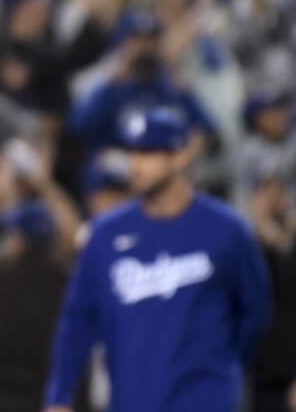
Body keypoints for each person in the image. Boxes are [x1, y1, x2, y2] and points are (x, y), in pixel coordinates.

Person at [43, 107, 272, 412]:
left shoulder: (226, 229)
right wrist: (59, 394)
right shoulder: (106, 234)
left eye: (150, 153)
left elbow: (255, 311)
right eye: (134, 152)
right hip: (133, 399)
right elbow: (78, 319)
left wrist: (223, 368)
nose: (137, 164)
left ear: (180, 157)